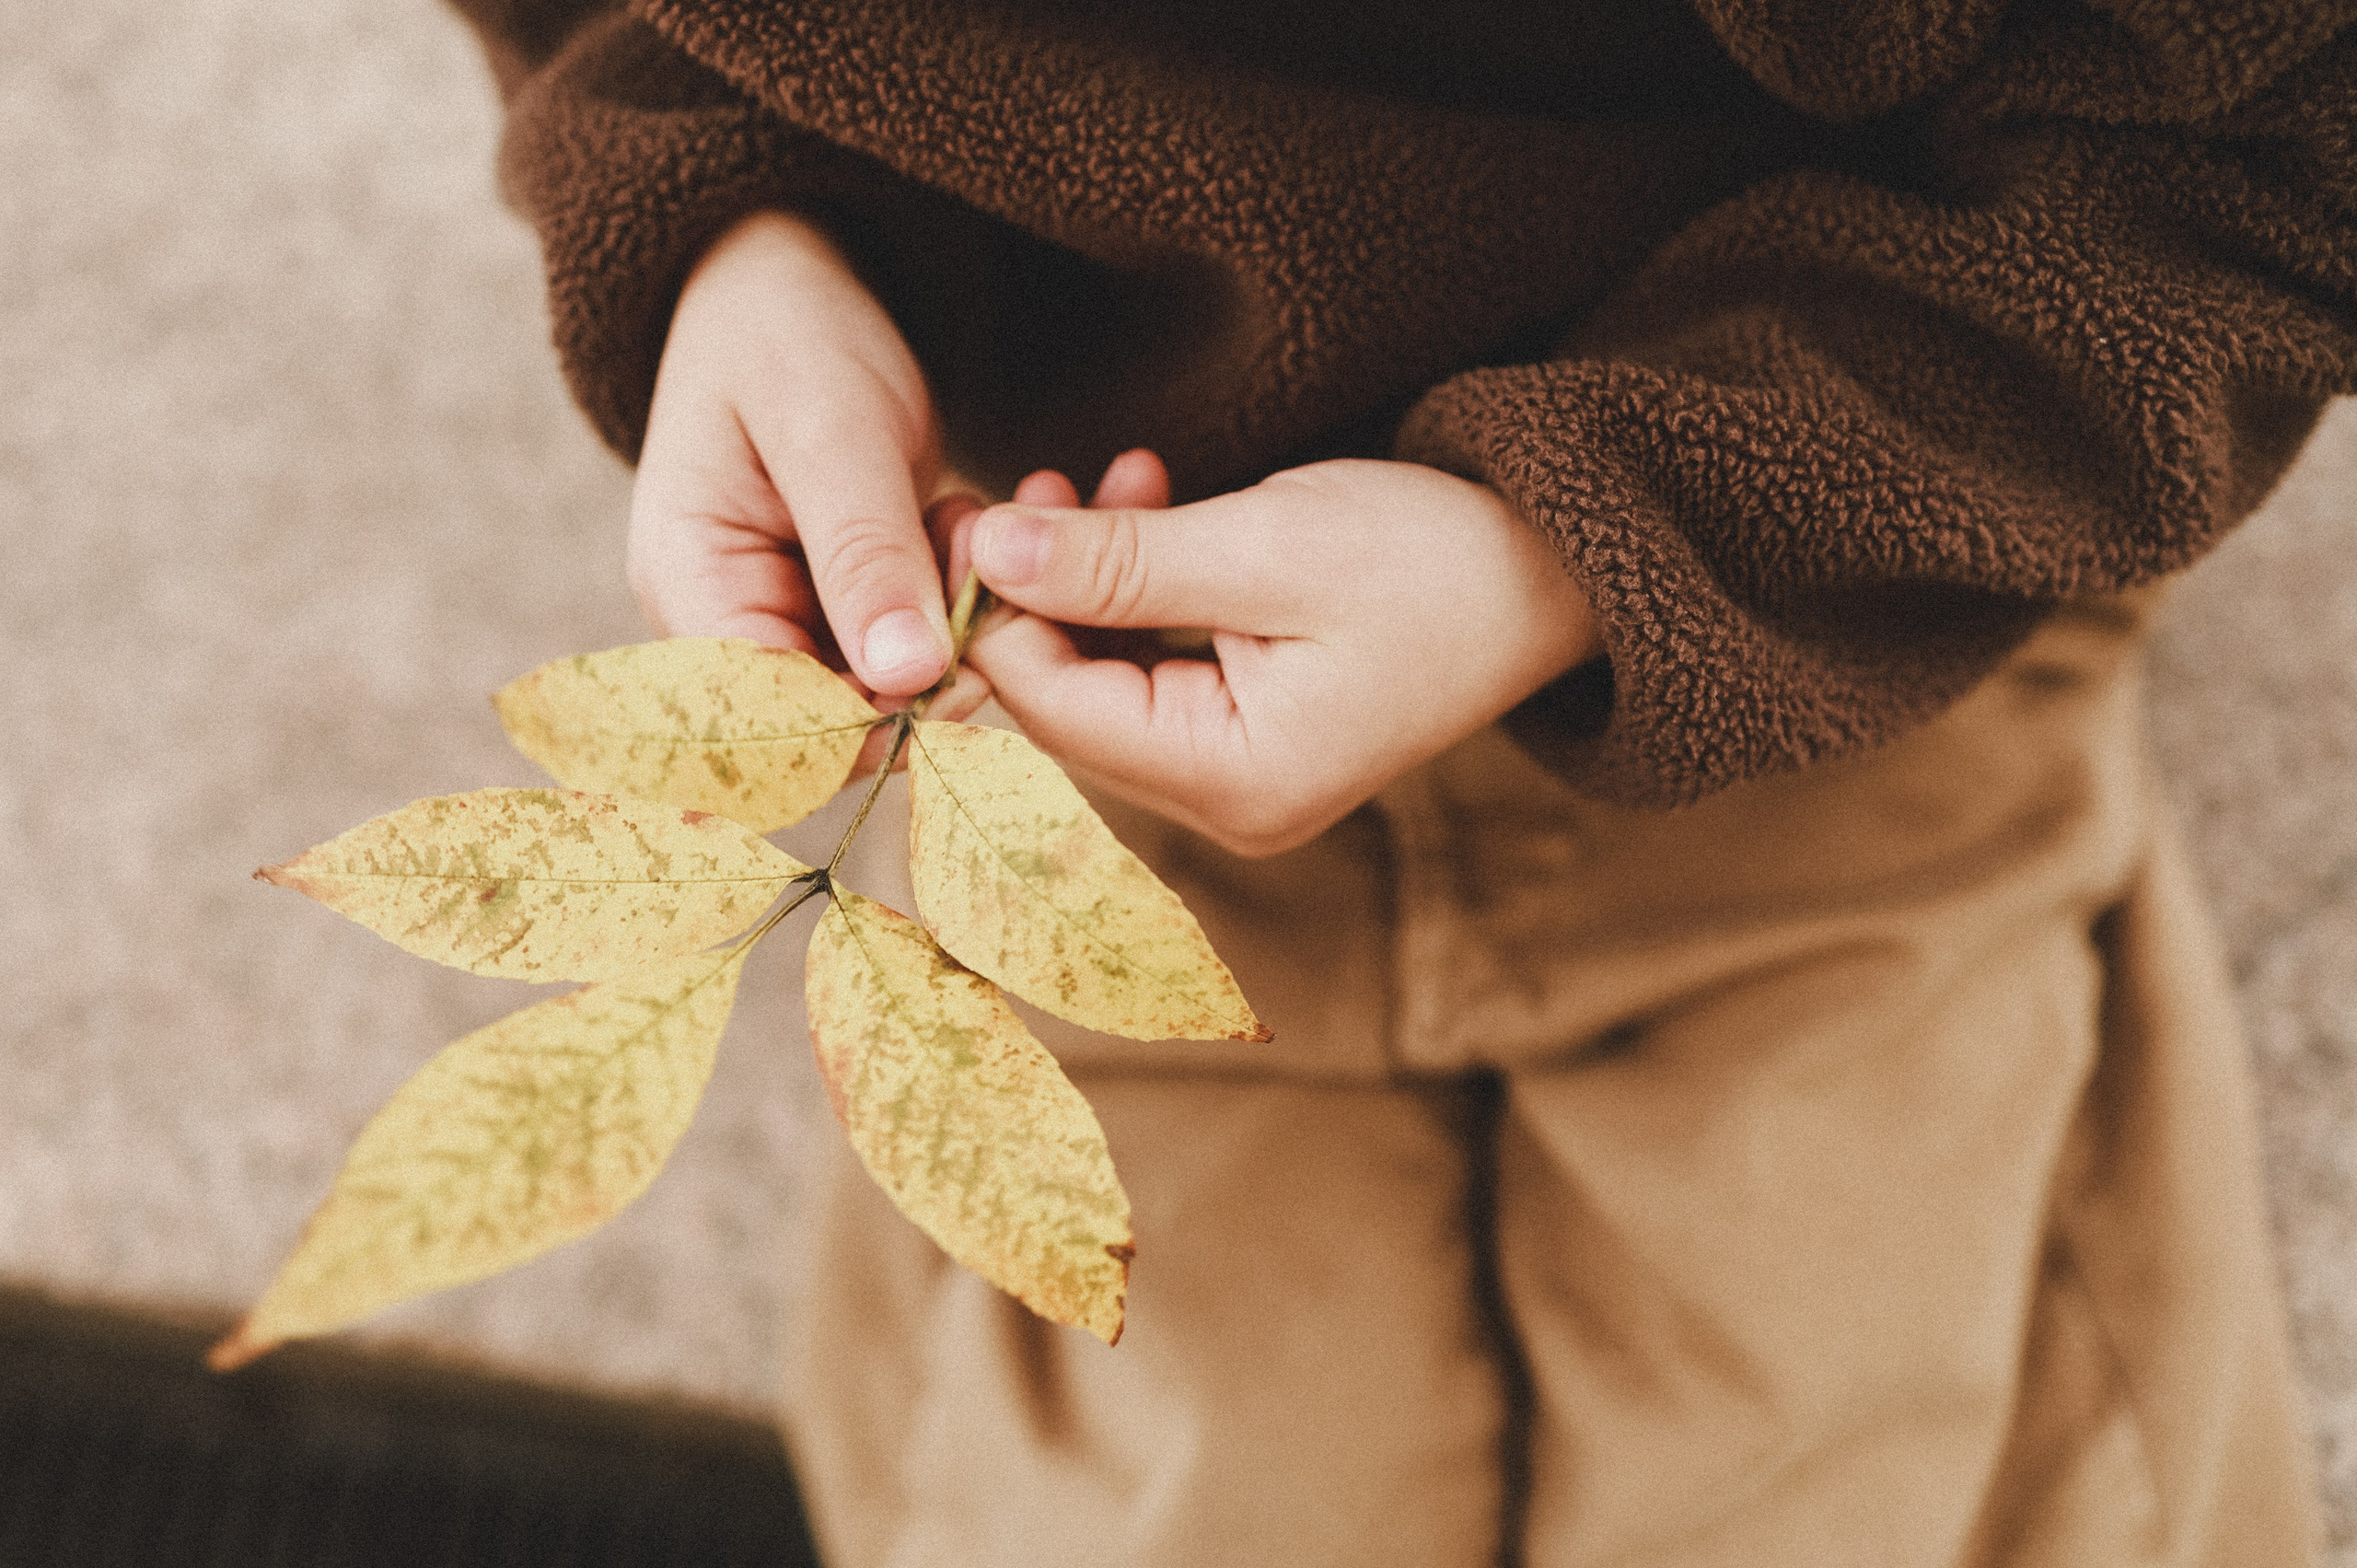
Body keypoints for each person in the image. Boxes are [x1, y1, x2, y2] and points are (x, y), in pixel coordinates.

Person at [448, 2, 2357, 1562]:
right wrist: (724, 202)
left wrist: (1613, 534)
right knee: (1161, 1476)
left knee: (1866, 1440)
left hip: (1841, 646)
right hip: (1065, 677)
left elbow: (2259, 131)